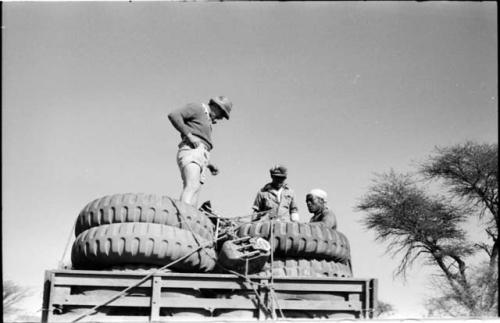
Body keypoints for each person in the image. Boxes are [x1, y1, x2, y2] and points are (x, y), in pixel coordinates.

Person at [168, 96, 232, 206]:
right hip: (191, 150)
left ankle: (189, 218)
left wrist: (208, 164)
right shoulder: (197, 108)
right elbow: (174, 115)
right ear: (217, 107)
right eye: (222, 114)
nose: (221, 118)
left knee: (195, 191)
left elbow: (201, 147)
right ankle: (184, 217)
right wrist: (189, 135)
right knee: (192, 185)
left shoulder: (207, 120)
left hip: (201, 154)